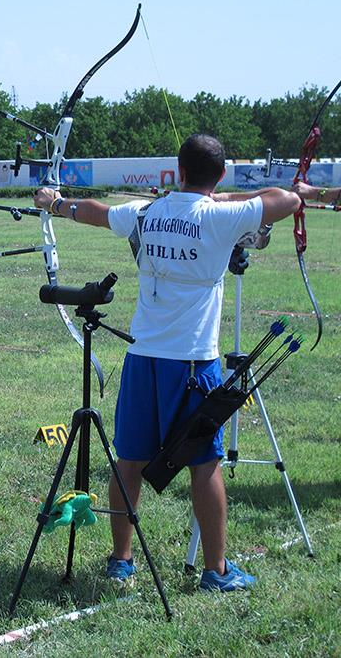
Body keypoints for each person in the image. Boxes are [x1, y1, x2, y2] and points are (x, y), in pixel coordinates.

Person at [31, 134, 302, 592]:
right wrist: (228, 196)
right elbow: (288, 199)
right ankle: (215, 571)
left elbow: (95, 212)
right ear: (218, 176)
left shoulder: (148, 212)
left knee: (129, 460)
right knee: (204, 463)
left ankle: (121, 558)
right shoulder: (223, 215)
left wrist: (56, 203)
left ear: (177, 171)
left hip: (142, 358)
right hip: (193, 364)